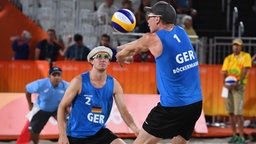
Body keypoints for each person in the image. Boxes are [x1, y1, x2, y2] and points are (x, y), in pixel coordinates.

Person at [116, 1, 202, 144]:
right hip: (195, 104)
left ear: (157, 19)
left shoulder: (153, 38)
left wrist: (120, 54)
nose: (147, 20)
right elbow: (138, 44)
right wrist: (125, 49)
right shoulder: (181, 31)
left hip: (173, 107)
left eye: (149, 16)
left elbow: (134, 48)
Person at [57, 46, 139, 144]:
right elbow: (62, 107)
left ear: (109, 62)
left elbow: (124, 111)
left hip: (99, 132)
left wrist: (135, 129)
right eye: (99, 56)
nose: (103, 59)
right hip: (76, 134)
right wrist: (62, 135)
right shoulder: (78, 81)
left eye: (106, 57)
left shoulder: (114, 84)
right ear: (91, 60)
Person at [25, 66, 69, 144]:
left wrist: (67, 107)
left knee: (69, 125)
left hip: (57, 109)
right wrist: (30, 104)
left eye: (58, 75)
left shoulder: (66, 86)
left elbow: (72, 96)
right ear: (49, 76)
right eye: (54, 75)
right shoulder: (40, 84)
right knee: (33, 130)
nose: (56, 77)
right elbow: (28, 89)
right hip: (42, 109)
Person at [222, 38, 252, 144]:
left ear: (241, 46)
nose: (236, 47)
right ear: (232, 46)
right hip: (229, 87)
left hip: (238, 87)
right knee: (230, 113)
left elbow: (245, 71)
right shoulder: (228, 58)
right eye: (234, 45)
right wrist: (226, 84)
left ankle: (242, 137)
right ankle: (234, 135)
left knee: (238, 113)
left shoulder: (245, 56)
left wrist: (237, 82)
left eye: (238, 45)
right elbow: (224, 72)